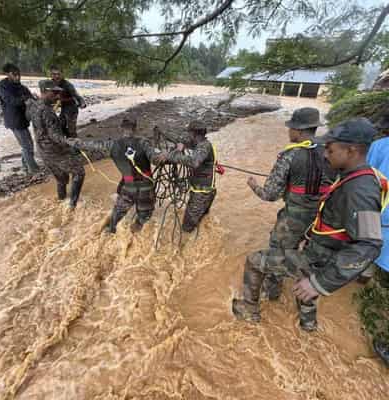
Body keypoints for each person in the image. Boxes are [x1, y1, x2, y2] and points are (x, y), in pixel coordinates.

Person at [232, 118, 384, 332]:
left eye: (330, 150)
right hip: (319, 249)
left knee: (255, 261)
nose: (324, 154)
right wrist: (309, 235)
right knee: (305, 282)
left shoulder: (361, 190)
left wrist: (320, 282)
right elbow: (333, 218)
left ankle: (249, 310)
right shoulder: (353, 177)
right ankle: (308, 327)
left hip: (321, 258)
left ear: (351, 151)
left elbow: (369, 244)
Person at [234, 107, 332, 305]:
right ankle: (306, 312)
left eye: (290, 128)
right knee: (308, 260)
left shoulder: (290, 155)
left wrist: (253, 186)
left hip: (294, 219)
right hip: (324, 220)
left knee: (278, 256)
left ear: (298, 130)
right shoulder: (331, 152)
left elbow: (270, 195)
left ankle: (272, 296)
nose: (288, 132)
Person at [69, 115, 162, 233]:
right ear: (135, 127)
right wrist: (172, 155)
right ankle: (135, 230)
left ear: (121, 128)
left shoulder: (112, 145)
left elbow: (91, 145)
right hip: (146, 189)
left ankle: (109, 231)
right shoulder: (144, 143)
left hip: (128, 188)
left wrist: (76, 143)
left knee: (116, 215)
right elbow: (156, 159)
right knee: (143, 218)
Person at [26, 81, 85, 208]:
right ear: (44, 92)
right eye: (54, 93)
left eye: (58, 93)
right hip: (54, 151)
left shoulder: (33, 105)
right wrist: (70, 141)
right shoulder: (48, 112)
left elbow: (33, 120)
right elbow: (55, 136)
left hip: (42, 150)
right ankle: (72, 205)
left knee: (62, 179)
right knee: (79, 172)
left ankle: (60, 201)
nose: (57, 96)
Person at [364, 115, 389, 366]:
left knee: (366, 249)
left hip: (377, 217)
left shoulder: (381, 146)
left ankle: (363, 276)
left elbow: (366, 179)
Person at [162, 120, 218, 233]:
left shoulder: (204, 147)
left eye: (189, 133)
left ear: (194, 134)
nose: (188, 135)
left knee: (186, 229)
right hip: (203, 193)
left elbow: (194, 162)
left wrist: (174, 154)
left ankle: (183, 249)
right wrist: (169, 136)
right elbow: (185, 142)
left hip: (201, 195)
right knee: (199, 224)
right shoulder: (200, 143)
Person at [0, 63, 40, 174]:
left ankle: (25, 167)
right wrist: (26, 99)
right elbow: (10, 100)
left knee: (26, 144)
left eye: (19, 74)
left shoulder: (22, 87)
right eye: (14, 74)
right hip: (14, 120)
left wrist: (34, 98)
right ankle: (33, 170)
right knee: (28, 146)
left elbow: (30, 98)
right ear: (7, 74)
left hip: (23, 119)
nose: (17, 77)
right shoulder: (2, 85)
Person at [40, 66, 86, 138]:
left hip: (71, 108)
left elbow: (77, 96)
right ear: (51, 75)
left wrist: (82, 103)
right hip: (63, 108)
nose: (57, 76)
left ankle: (76, 146)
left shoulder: (67, 84)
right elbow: (42, 86)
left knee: (71, 131)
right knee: (60, 126)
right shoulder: (50, 83)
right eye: (54, 74)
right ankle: (67, 142)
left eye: (59, 74)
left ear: (62, 74)